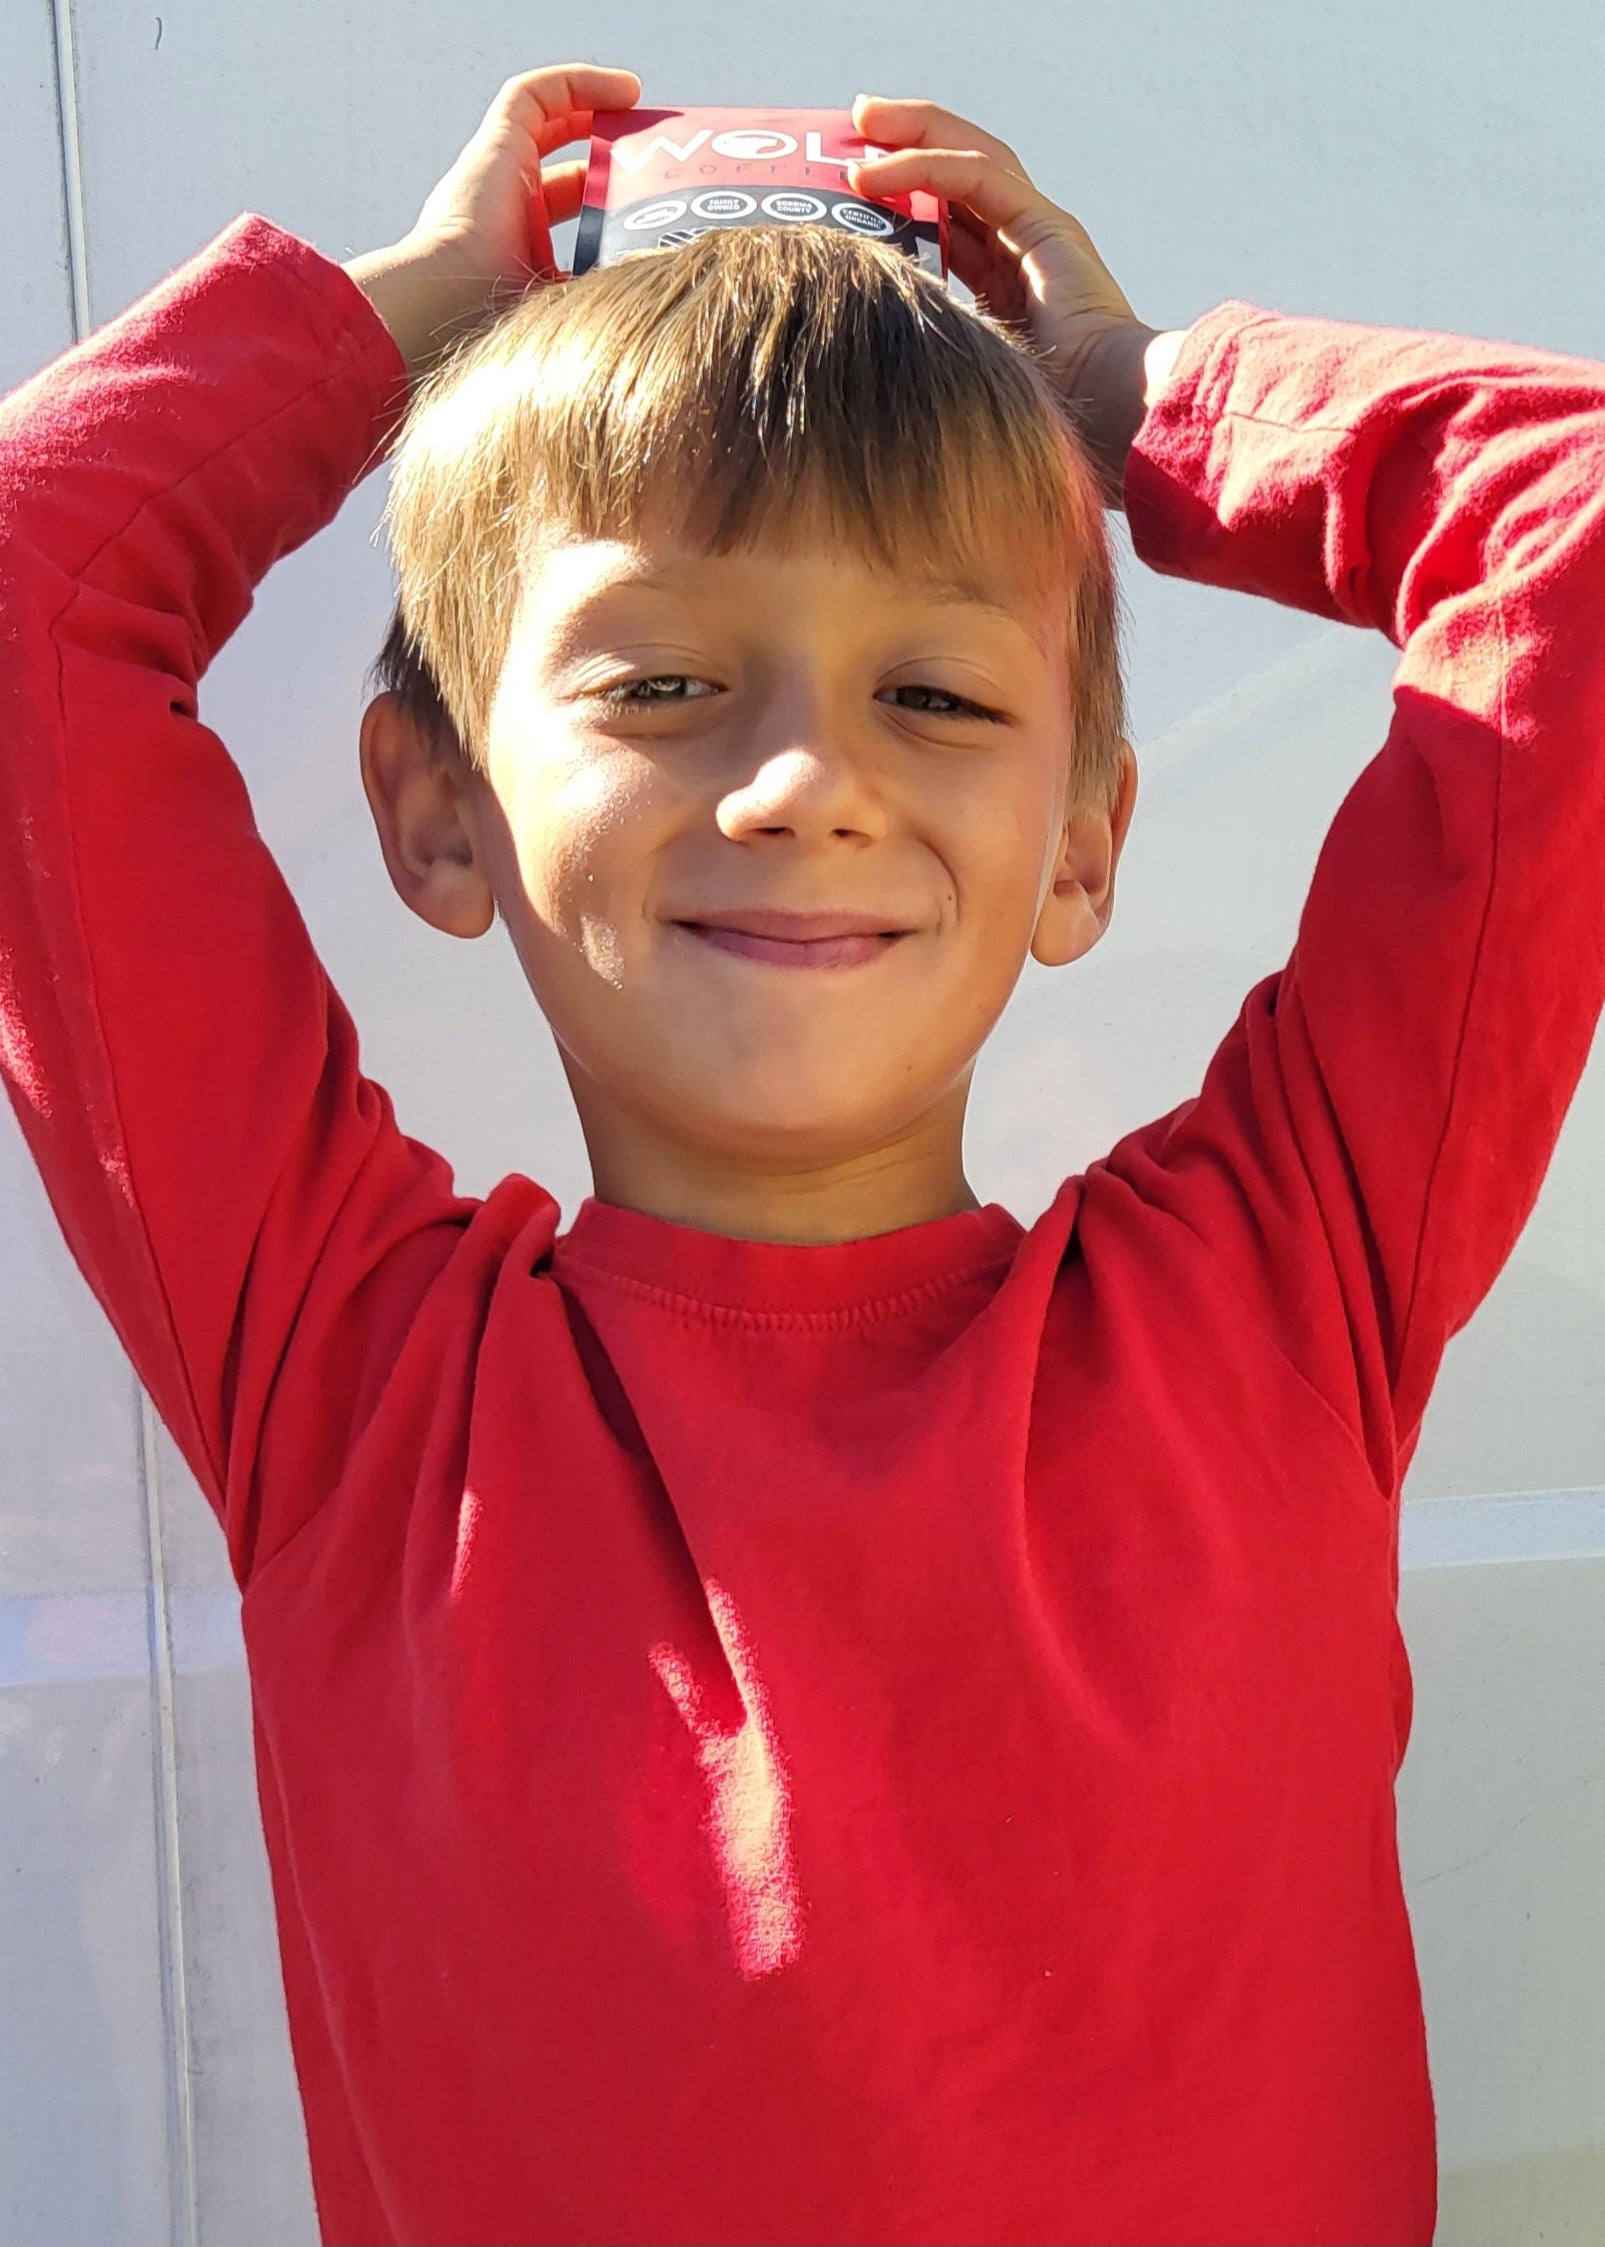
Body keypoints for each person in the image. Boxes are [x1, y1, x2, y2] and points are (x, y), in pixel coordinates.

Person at [1, 53, 1601, 2247]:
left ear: (1084, 834)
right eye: (661, 688)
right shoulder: (357, 1385)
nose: (799, 783)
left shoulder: (1271, 1291)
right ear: (434, 805)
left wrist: (1136, 403)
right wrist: (411, 309)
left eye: (932, 695)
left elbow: (1572, 528)